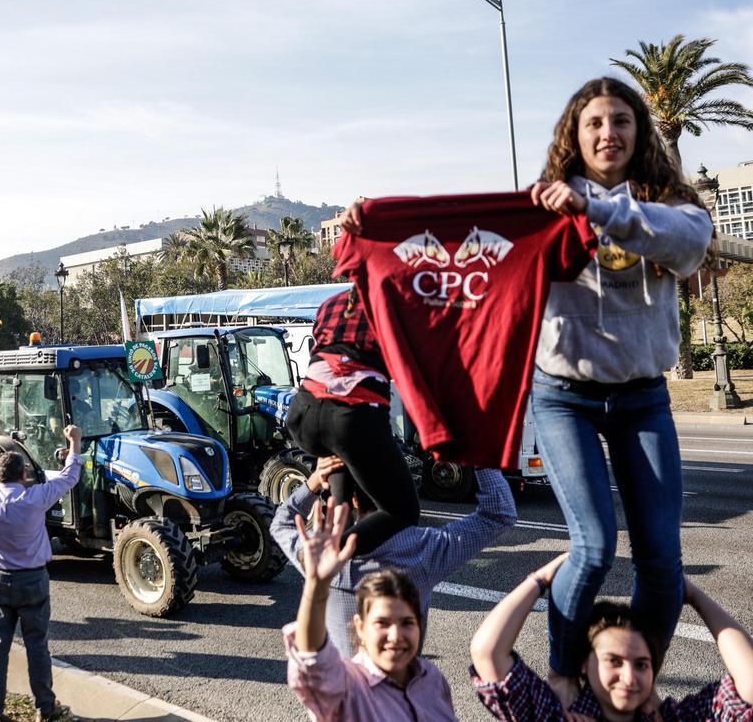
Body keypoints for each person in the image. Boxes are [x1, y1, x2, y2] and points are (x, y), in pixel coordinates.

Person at [527, 77, 714, 700]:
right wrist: (377, 223)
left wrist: (598, 210)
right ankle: (563, 672)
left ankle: (638, 681)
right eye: (595, 123)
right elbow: (464, 243)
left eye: (622, 121)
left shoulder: (672, 205)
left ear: (640, 132)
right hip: (564, 397)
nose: (609, 133)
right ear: (574, 137)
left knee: (661, 562)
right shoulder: (541, 207)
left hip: (643, 397)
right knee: (595, 544)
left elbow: (687, 244)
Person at [272, 454, 516, 656]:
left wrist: (313, 482)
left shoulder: (323, 560)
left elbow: (281, 524)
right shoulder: (424, 548)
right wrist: (478, 451)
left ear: (355, 499)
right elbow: (499, 513)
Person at [470, 554, 753, 720]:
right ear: (584, 663)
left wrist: (694, 595)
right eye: (614, 661)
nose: (629, 677)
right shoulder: (559, 714)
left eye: (641, 664)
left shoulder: (671, 718)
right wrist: (540, 580)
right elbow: (487, 652)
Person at [284, 499, 458, 721]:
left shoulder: (431, 678)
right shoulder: (348, 688)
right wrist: (316, 585)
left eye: (407, 622)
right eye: (382, 623)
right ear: (360, 627)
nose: (395, 637)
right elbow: (312, 660)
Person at [284, 278, 420, 554]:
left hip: (303, 412)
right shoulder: (396, 307)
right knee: (402, 512)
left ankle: (338, 570)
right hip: (352, 416)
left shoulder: (329, 304)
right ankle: (328, 555)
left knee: (340, 505)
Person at [0, 425, 83, 722]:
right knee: (37, 647)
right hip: (32, 581)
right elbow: (70, 477)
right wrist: (75, 443)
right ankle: (45, 707)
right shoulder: (35, 498)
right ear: (24, 476)